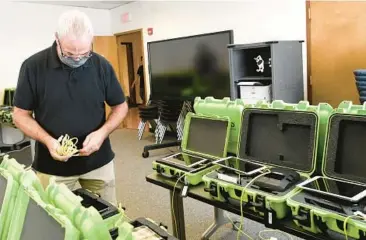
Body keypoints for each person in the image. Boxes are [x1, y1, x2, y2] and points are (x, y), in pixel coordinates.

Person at [12, 9, 128, 205]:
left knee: (107, 220)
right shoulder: (33, 67)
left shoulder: (102, 66)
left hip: (98, 164)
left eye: (84, 54)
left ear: (91, 41)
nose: (77, 59)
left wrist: (102, 133)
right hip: (52, 169)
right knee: (56, 225)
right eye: (69, 53)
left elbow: (120, 106)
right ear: (57, 39)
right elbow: (20, 115)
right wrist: (49, 141)